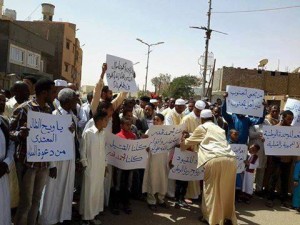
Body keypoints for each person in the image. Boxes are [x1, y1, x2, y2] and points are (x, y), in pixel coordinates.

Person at [11, 78, 56, 225]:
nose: (55, 95)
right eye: (53, 92)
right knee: (26, 202)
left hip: (43, 165)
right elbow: (10, 131)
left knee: (36, 201)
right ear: (44, 93)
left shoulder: (49, 110)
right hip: (27, 164)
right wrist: (20, 134)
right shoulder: (25, 109)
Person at [180, 109, 237, 225]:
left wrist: (181, 142)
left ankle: (210, 218)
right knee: (227, 190)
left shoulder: (202, 128)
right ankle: (227, 217)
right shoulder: (220, 129)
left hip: (214, 159)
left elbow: (188, 143)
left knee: (211, 190)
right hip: (231, 159)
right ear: (212, 118)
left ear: (201, 119)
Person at [39, 88, 78, 225]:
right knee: (52, 190)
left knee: (66, 188)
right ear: (68, 101)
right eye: (74, 99)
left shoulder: (73, 117)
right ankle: (48, 220)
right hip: (56, 162)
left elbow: (72, 139)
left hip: (69, 159)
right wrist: (52, 165)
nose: (77, 101)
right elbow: (49, 142)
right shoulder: (54, 115)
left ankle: (63, 217)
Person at [80, 110, 109, 225]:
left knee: (97, 191)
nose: (107, 122)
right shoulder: (88, 132)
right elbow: (82, 151)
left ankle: (92, 216)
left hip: (100, 167)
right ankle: (86, 218)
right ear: (100, 120)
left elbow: (104, 150)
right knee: (89, 192)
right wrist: (85, 165)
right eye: (106, 120)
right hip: (90, 168)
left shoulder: (103, 133)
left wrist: (105, 165)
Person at [266, 110, 294, 208]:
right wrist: (265, 140)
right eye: (289, 119)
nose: (291, 121)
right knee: (273, 179)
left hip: (287, 159)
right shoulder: (274, 129)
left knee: (285, 180)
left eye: (292, 119)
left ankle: (283, 199)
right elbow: (269, 142)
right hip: (276, 159)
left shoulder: (293, 131)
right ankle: (270, 198)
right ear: (283, 118)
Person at [180, 100, 206, 203]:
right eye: (198, 110)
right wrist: (193, 136)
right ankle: (187, 195)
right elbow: (183, 133)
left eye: (201, 111)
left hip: (200, 149)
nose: (199, 112)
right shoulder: (187, 118)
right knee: (189, 172)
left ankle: (196, 194)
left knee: (198, 172)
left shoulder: (203, 119)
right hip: (189, 148)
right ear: (194, 108)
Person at [142, 113, 169, 211]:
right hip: (153, 159)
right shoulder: (149, 131)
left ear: (162, 122)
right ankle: (151, 200)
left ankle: (161, 199)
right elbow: (145, 146)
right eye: (154, 120)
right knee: (152, 178)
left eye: (157, 120)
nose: (155, 121)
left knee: (163, 178)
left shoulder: (167, 131)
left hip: (163, 159)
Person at [114, 118, 137, 214]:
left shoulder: (133, 135)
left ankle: (126, 203)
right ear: (121, 125)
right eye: (127, 125)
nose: (129, 126)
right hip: (120, 165)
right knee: (118, 184)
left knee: (128, 184)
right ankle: (116, 204)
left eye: (130, 124)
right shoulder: (117, 136)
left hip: (130, 165)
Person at [165, 98, 186, 198]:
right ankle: (169, 192)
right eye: (181, 107)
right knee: (169, 167)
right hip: (170, 145)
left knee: (175, 167)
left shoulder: (182, 115)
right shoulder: (170, 114)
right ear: (176, 106)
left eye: (183, 107)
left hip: (179, 145)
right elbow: (170, 130)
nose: (182, 109)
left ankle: (174, 192)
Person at [0, 92, 15, 225]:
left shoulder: (4, 121)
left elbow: (11, 145)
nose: (2, 103)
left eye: (3, 101)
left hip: (2, 172)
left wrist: (6, 163)